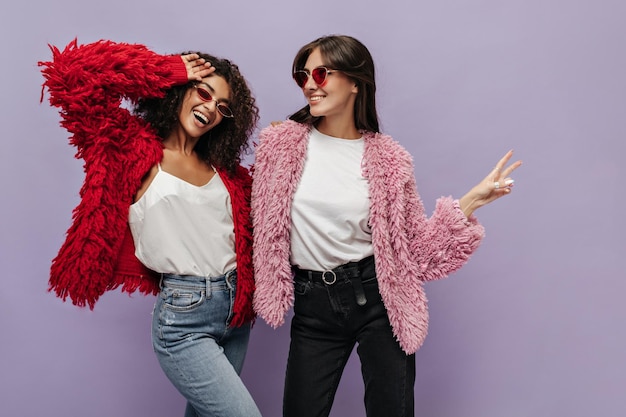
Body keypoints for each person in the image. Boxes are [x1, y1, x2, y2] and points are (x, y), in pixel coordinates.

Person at [251, 34, 522, 417]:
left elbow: (418, 251)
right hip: (313, 304)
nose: (310, 84)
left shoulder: (389, 159)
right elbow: (255, 220)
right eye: (303, 76)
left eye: (321, 73)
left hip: (378, 298)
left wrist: (471, 201)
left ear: (355, 81)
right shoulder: (280, 146)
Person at [40, 39, 262, 417]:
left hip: (237, 312)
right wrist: (168, 70)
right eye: (203, 92)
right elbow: (69, 75)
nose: (209, 108)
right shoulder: (128, 147)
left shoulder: (225, 172)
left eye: (221, 107)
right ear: (182, 89)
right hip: (184, 317)